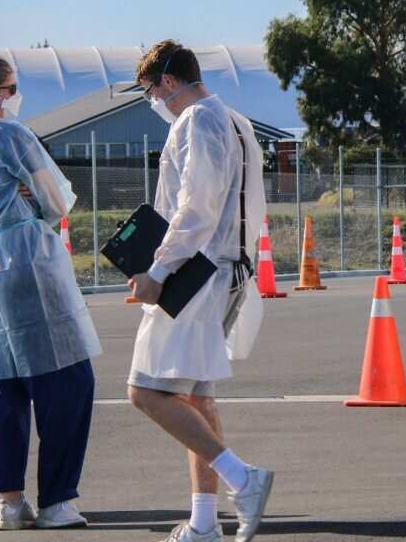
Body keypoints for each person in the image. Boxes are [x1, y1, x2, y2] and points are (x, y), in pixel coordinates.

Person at [0, 53, 103, 531]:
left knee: (7, 385)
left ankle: (11, 502)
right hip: (28, 259)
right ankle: (57, 499)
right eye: (10, 88)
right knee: (68, 380)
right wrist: (35, 205)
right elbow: (56, 199)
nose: (15, 96)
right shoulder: (12, 134)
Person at [126, 40, 273, 542]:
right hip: (230, 268)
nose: (153, 102)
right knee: (196, 398)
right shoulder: (236, 120)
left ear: (168, 82)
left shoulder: (195, 121)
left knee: (146, 389)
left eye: (150, 91)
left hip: (197, 273)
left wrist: (158, 271)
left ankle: (243, 478)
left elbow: (195, 208)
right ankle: (204, 523)